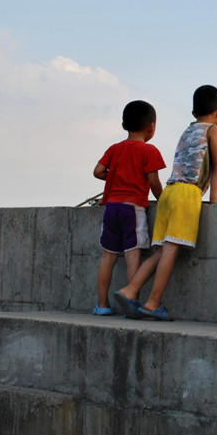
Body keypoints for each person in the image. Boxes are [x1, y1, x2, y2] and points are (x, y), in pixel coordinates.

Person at [112, 85, 217, 321]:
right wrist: (214, 197)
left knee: (161, 250)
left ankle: (130, 290)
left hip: (169, 192)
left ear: (194, 111)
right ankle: (153, 302)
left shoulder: (187, 130)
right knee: (171, 251)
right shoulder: (213, 130)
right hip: (188, 193)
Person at [92, 100, 166, 315]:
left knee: (108, 256)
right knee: (133, 254)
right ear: (151, 127)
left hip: (111, 208)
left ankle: (102, 305)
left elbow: (97, 171)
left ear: (124, 125)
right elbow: (153, 182)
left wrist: (114, 178)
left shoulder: (115, 149)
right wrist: (162, 199)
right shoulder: (149, 151)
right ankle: (131, 301)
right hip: (132, 209)